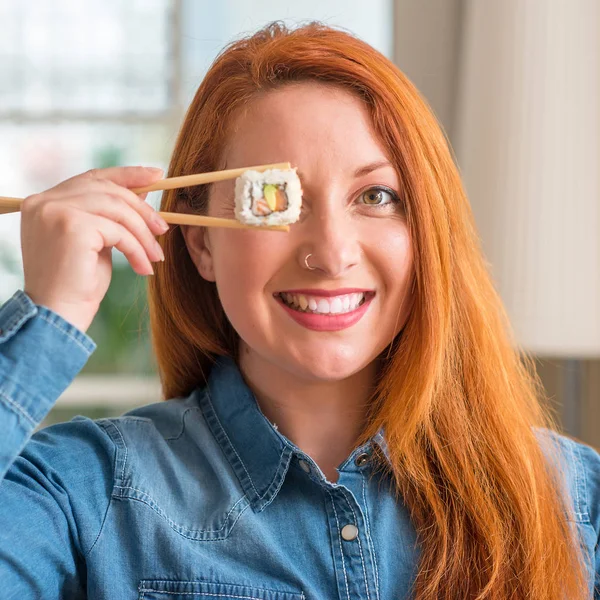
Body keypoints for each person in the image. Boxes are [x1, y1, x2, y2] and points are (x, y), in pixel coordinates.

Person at [0, 21, 598, 600]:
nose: (331, 253)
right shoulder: (80, 491)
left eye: (376, 196)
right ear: (201, 242)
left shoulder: (573, 498)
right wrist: (52, 312)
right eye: (279, 201)